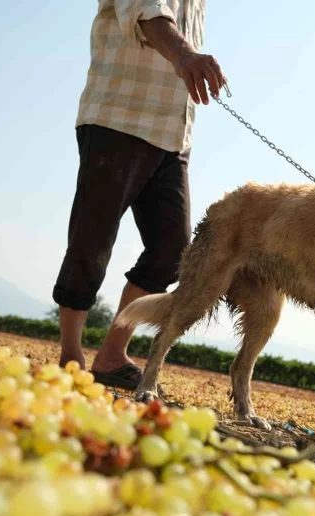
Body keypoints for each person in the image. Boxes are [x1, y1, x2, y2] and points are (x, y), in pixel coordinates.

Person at [52, 0, 226, 389]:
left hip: (173, 138)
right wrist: (186, 56)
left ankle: (112, 354)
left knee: (172, 251)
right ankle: (70, 354)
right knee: (91, 238)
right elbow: (147, 12)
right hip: (119, 118)